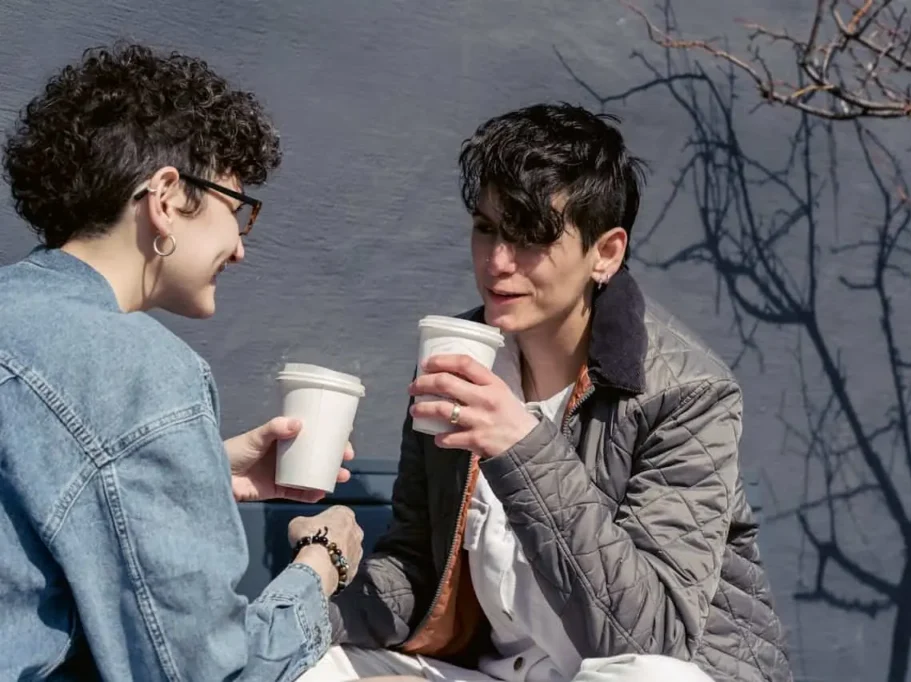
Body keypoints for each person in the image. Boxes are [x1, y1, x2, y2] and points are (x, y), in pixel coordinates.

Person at [302, 104, 793, 682]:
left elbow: (648, 640)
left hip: (645, 674)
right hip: (498, 672)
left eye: (531, 236)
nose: (497, 262)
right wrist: (316, 582)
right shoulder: (459, 360)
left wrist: (520, 446)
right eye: (486, 228)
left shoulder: (688, 393)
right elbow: (418, 568)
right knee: (309, 663)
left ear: (605, 253)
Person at [0, 44, 363, 681]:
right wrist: (321, 566)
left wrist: (204, 466)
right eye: (237, 208)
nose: (240, 249)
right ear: (166, 198)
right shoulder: (139, 370)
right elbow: (201, 671)